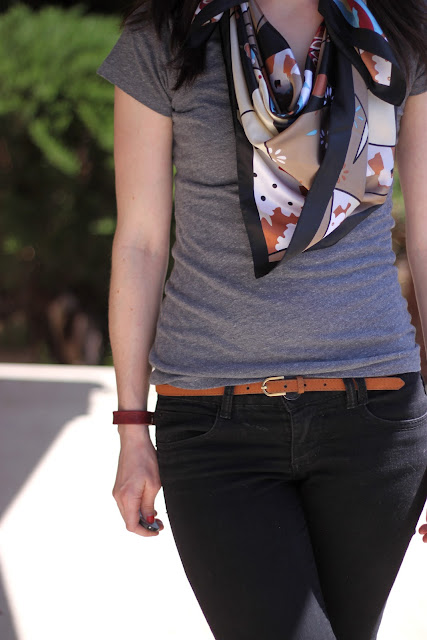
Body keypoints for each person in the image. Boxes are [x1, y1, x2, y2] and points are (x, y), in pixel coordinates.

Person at [97, 0, 427, 638]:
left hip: (375, 421)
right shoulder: (166, 35)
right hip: (214, 424)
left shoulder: (402, 28)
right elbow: (139, 243)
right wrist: (132, 427)